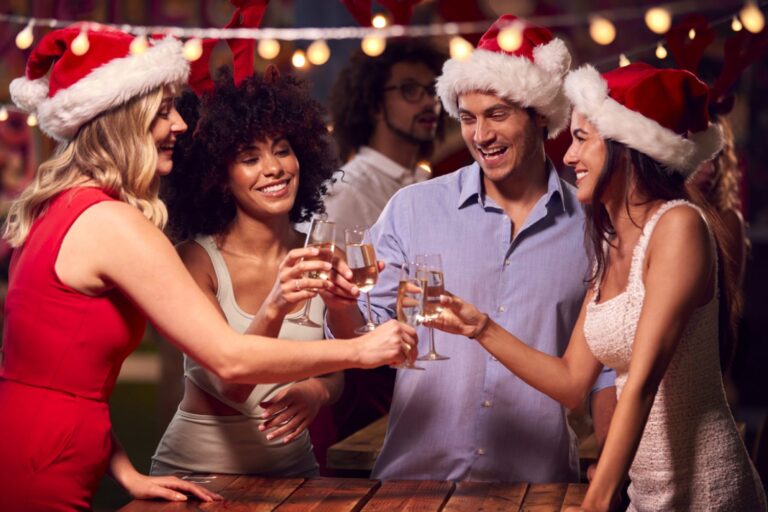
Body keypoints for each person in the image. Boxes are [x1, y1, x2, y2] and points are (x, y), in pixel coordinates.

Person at [0, 26, 415, 511]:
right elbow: (231, 363)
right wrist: (361, 350)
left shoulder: (68, 206)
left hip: (45, 442)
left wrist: (126, 472)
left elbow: (58, 379)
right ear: (122, 122)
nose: (179, 124)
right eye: (161, 112)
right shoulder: (112, 222)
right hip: (44, 458)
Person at [430, 62, 767, 510]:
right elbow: (572, 381)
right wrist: (481, 327)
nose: (568, 157)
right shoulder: (610, 243)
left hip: (703, 488)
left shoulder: (679, 226)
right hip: (644, 490)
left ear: (628, 146)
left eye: (583, 139)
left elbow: (644, 382)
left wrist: (596, 500)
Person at [328, 15, 616, 483]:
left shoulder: (592, 227)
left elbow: (604, 372)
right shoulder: (413, 208)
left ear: (540, 114)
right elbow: (358, 340)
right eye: (467, 118)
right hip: (412, 485)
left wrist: (609, 473)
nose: (480, 136)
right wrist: (340, 306)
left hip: (535, 489)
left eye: (497, 115)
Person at [151, 68, 349, 477]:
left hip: (295, 473)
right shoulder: (195, 261)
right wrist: (276, 304)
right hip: (196, 475)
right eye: (249, 158)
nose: (274, 168)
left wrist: (317, 389)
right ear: (219, 177)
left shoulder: (317, 253)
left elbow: (341, 366)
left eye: (282, 150)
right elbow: (233, 383)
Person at [323, 40, 446, 444]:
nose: (428, 103)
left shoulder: (427, 184)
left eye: (433, 91)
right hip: (362, 393)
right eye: (410, 91)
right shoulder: (346, 190)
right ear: (374, 105)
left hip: (422, 383)